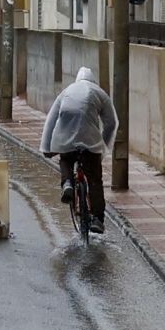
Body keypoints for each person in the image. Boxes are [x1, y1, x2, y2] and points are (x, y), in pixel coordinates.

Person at [40, 66, 119, 235]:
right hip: (90, 139)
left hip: (65, 137)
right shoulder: (100, 93)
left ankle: (67, 183)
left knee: (66, 159)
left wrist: (46, 147)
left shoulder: (66, 91)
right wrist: (102, 146)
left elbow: (51, 120)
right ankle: (97, 219)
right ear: (93, 80)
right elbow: (111, 123)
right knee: (95, 179)